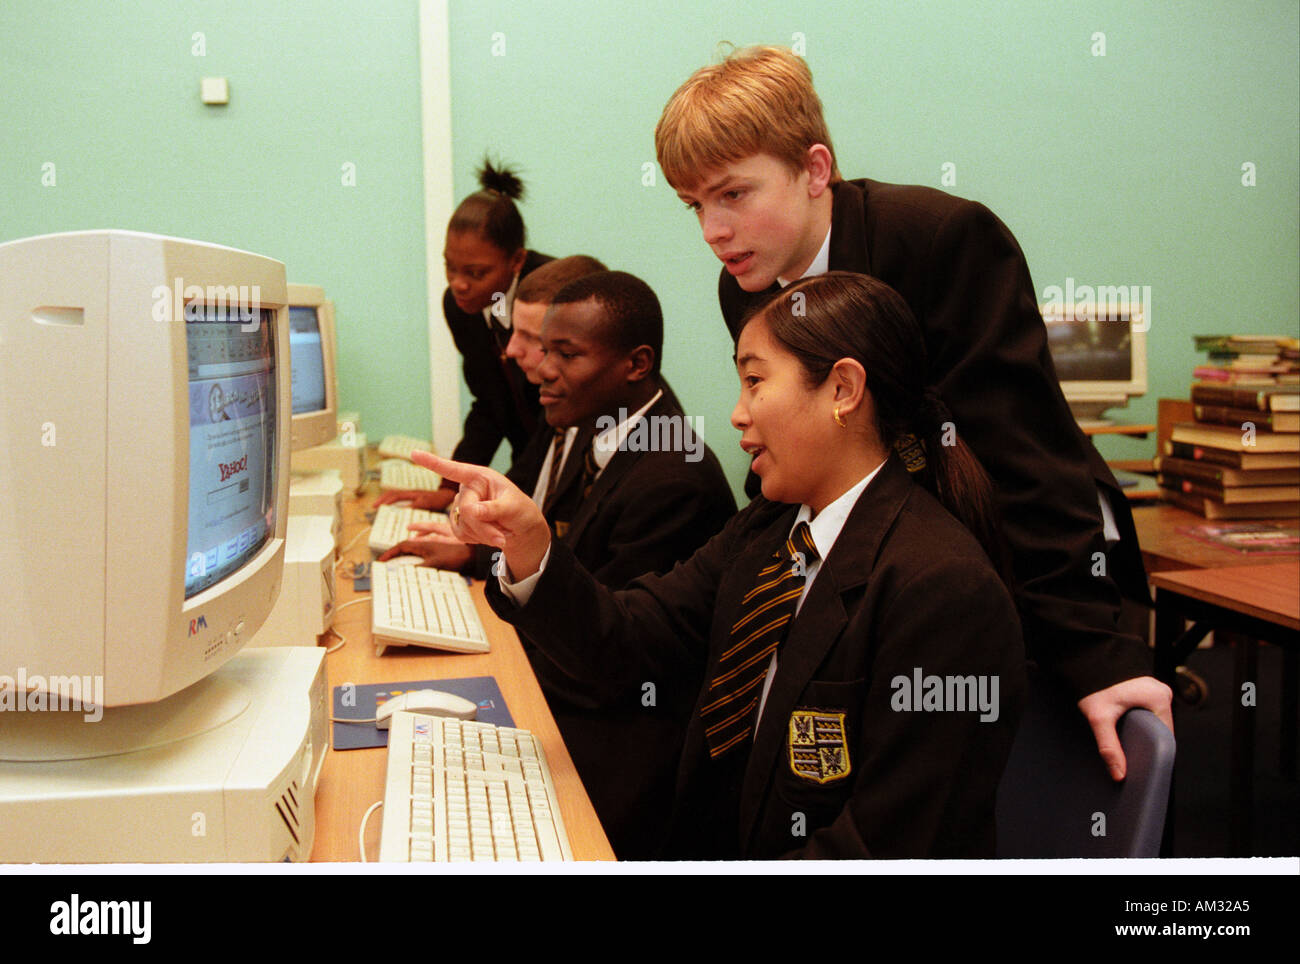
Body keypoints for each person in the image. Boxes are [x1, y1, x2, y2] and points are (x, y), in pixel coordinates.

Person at [653, 44, 1171, 779]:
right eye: (694, 205)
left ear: (815, 170)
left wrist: (1095, 647)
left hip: (1021, 548)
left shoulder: (941, 239)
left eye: (733, 195)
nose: (713, 230)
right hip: (900, 560)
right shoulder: (745, 284)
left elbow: (1022, 451)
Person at [414, 273, 1026, 859]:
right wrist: (528, 545)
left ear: (843, 389)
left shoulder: (942, 590)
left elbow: (884, 849)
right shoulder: (772, 526)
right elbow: (629, 638)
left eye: (755, 382)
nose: (737, 413)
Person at [396, 270, 737, 858]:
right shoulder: (593, 424)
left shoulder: (672, 478)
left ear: (636, 363)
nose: (541, 370)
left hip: (626, 748)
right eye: (543, 349)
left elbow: (610, 656)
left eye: (566, 354)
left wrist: (475, 703)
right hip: (583, 693)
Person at [381, 158, 551, 513]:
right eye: (450, 266)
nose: (458, 284)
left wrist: (507, 498)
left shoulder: (553, 294)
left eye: (475, 272)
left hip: (567, 463)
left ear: (517, 261)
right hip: (530, 460)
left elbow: (561, 421)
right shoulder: (461, 306)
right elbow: (489, 403)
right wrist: (453, 487)